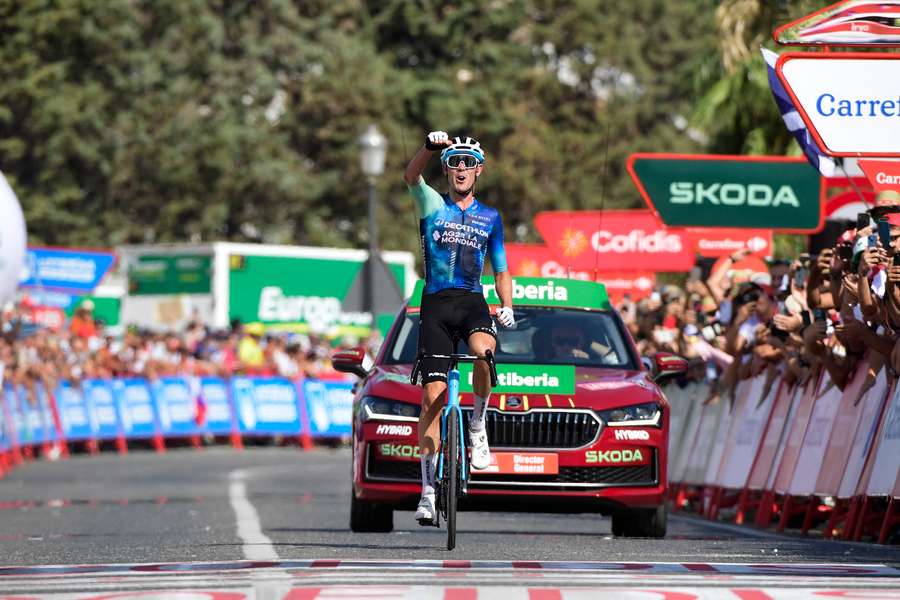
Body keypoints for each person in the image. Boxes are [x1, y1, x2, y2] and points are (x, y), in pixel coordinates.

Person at [403, 130, 514, 525]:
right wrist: (430, 149)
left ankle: (479, 424)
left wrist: (507, 305)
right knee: (432, 398)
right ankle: (429, 491)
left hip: (471, 302)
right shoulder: (432, 202)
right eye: (454, 162)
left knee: (485, 354)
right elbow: (411, 177)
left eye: (468, 162)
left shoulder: (490, 217)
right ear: (448, 170)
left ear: (479, 170)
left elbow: (501, 269)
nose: (461, 167)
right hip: (434, 303)